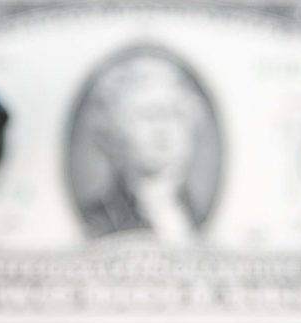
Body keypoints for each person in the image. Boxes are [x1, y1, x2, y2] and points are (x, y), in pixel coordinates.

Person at [79, 51, 209, 241]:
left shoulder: (197, 214)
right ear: (113, 131)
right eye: (148, 115)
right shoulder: (96, 224)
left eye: (174, 113)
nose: (163, 127)